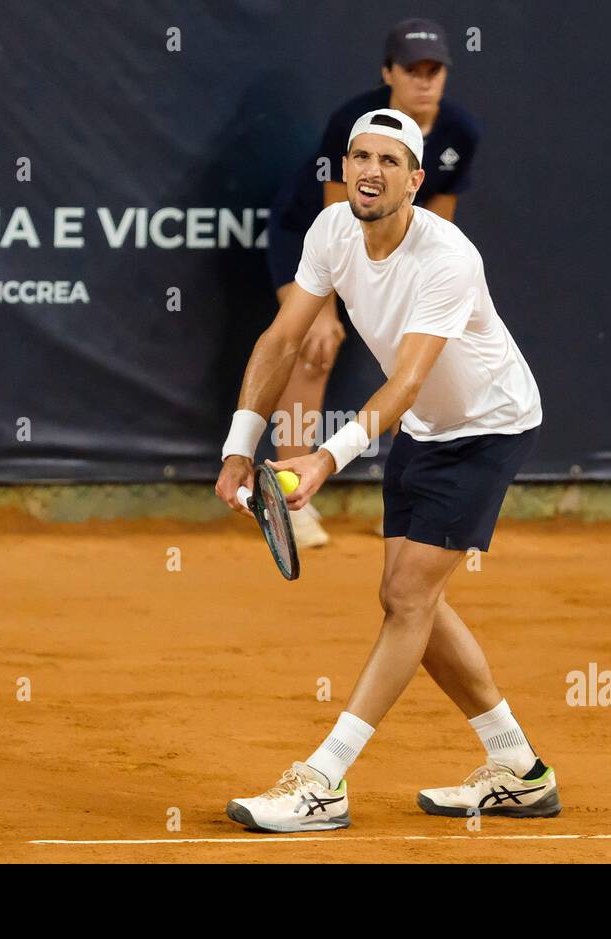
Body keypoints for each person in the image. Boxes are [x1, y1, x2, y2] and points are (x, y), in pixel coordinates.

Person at [215, 108, 555, 832]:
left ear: (415, 179)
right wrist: (239, 448)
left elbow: (404, 382)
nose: (371, 170)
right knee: (411, 605)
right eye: (359, 157)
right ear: (344, 169)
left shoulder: (448, 257)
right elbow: (281, 339)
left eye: (389, 161)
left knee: (405, 598)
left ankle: (323, 782)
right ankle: (520, 770)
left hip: (488, 426)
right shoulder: (331, 231)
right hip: (427, 429)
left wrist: (324, 459)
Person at [265, 17, 480, 546]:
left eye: (435, 70)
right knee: (316, 345)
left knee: (422, 361)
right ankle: (289, 492)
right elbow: (339, 222)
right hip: (311, 235)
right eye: (412, 70)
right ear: (389, 73)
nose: (425, 81)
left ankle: (411, 499)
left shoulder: (460, 133)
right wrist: (325, 311)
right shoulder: (353, 122)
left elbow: (440, 221)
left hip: (394, 243)